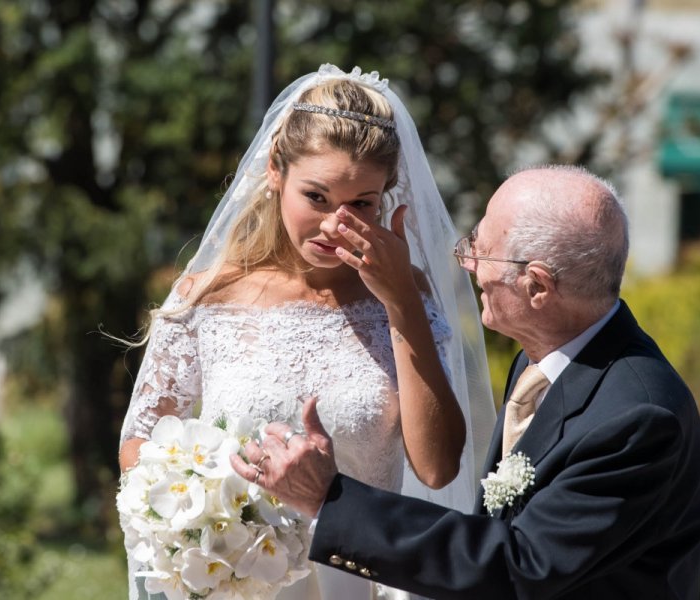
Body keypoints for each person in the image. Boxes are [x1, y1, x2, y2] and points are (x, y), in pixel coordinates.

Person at [233, 165, 700, 600]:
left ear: (537, 287)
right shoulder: (541, 361)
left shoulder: (638, 417)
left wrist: (329, 499)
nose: (467, 263)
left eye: (480, 251)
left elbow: (519, 565)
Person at [117, 64, 497, 600]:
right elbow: (140, 443)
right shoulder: (208, 298)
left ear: (387, 194)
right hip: (237, 579)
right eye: (316, 197)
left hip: (362, 582)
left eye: (360, 204)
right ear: (276, 171)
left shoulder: (407, 300)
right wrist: (220, 509)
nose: (333, 225)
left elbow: (437, 469)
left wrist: (401, 305)